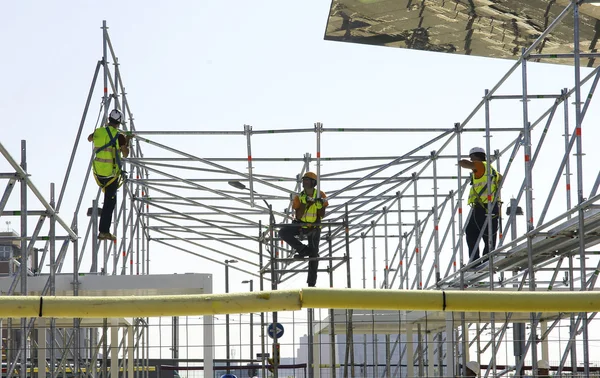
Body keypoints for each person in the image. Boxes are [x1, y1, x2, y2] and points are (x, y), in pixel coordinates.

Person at [87, 109, 132, 241]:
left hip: (98, 171)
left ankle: (102, 223)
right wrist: (127, 140)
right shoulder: (120, 136)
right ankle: (104, 231)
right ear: (120, 122)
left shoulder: (98, 131)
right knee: (110, 203)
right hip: (111, 174)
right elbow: (125, 154)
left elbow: (89, 138)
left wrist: (98, 134)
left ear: (108, 119)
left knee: (108, 199)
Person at [278, 172, 328, 287]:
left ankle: (311, 283)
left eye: (307, 180)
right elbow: (298, 215)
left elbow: (322, 214)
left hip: (314, 226)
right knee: (283, 232)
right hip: (300, 225)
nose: (304, 182)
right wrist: (305, 204)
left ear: (313, 182)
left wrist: (319, 205)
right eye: (304, 180)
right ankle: (303, 250)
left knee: (314, 255)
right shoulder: (299, 196)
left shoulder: (320, 194)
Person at [459, 147, 502, 263]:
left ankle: (475, 260)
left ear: (475, 157)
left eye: (471, 158)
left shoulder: (481, 165)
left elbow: (464, 164)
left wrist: (461, 162)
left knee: (472, 233)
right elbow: (500, 178)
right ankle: (487, 258)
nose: (471, 160)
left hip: (482, 208)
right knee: (489, 235)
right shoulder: (491, 170)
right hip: (492, 207)